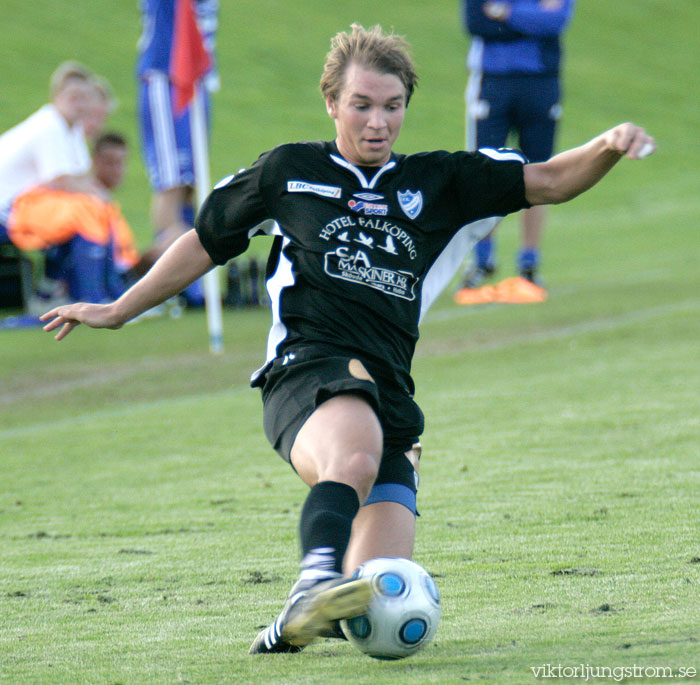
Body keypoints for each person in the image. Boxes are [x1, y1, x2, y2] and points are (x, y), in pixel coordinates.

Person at [41, 24, 655, 654]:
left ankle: (292, 622)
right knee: (353, 457)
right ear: (332, 102)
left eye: (392, 106)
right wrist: (120, 308)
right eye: (361, 104)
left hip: (390, 390)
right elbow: (206, 241)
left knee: (375, 589)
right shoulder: (290, 171)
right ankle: (313, 580)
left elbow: (550, 180)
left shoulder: (438, 182)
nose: (377, 121)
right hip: (307, 372)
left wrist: (607, 145)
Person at [455, 0, 576, 305]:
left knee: (541, 173)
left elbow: (555, 23)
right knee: (484, 172)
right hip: (491, 82)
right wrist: (531, 20)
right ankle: (482, 260)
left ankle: (529, 264)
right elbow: (476, 23)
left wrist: (505, 13)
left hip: (541, 82)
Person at [135, 0, 219, 305]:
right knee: (172, 181)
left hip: (197, 76)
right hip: (167, 76)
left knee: (191, 183)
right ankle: (146, 280)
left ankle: (185, 278)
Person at [7, 132, 140, 305]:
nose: (117, 170)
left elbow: (124, 256)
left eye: (121, 163)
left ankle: (50, 294)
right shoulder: (81, 202)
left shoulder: (100, 203)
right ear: (95, 162)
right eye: (110, 163)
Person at [0, 61, 105, 240]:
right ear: (58, 96)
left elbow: (81, 177)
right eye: (74, 97)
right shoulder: (49, 125)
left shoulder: (73, 130)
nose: (80, 104)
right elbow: (60, 182)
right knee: (82, 216)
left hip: (23, 206)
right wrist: (97, 196)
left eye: (85, 98)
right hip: (7, 207)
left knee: (91, 212)